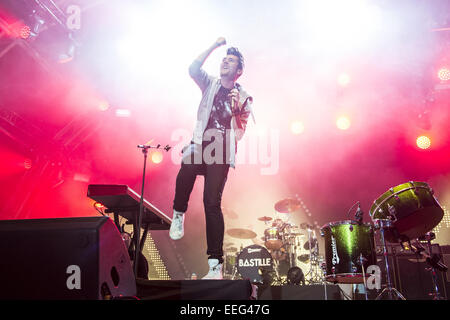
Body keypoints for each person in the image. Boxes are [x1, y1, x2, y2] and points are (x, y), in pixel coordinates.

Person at [169, 37, 254, 279]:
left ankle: (215, 265)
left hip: (221, 148)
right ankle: (178, 213)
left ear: (238, 71)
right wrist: (214, 46)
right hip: (200, 141)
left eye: (231, 60)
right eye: (223, 59)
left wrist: (238, 110)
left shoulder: (244, 97)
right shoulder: (210, 83)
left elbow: (239, 132)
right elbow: (193, 69)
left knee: (211, 203)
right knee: (187, 165)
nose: (225, 61)